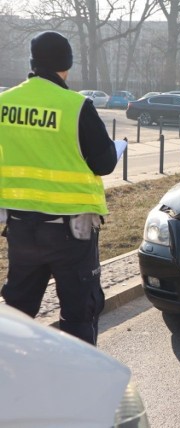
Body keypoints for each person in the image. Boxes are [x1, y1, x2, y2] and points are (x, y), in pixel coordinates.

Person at [0, 31, 121, 346]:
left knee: (17, 314)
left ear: (33, 63)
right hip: (71, 231)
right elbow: (105, 163)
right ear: (66, 65)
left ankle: (11, 381)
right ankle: (76, 387)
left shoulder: (4, 104)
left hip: (21, 228)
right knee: (79, 314)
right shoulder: (76, 106)